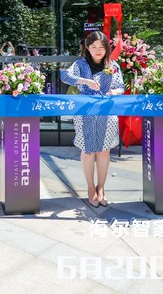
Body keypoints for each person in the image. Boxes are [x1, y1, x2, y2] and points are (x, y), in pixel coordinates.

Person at [60, 31, 125, 207]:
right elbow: (65, 76)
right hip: (85, 113)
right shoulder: (80, 64)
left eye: (101, 47)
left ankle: (101, 188)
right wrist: (85, 81)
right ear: (87, 47)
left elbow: (121, 86)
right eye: (94, 46)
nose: (98, 50)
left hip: (107, 112)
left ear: (107, 48)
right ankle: (90, 187)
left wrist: (114, 92)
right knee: (88, 150)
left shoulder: (113, 65)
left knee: (104, 150)